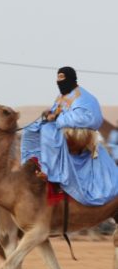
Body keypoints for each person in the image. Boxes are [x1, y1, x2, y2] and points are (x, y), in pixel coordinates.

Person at [21, 66, 118, 206]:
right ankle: (33, 163)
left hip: (81, 134)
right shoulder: (61, 97)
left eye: (62, 79)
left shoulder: (85, 97)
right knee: (32, 129)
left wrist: (58, 117)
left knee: (49, 131)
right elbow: (56, 112)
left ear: (71, 79)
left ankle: (51, 173)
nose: (59, 82)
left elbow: (91, 118)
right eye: (58, 79)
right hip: (63, 128)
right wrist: (49, 115)